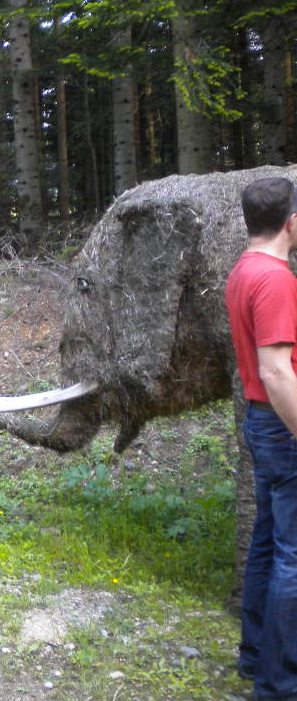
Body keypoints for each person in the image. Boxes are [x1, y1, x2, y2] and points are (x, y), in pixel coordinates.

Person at [226, 175, 297, 701]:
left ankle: (255, 658)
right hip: (282, 423)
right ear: (290, 221)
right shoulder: (275, 279)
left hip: (262, 420)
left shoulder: (242, 270)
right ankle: (280, 686)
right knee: (293, 556)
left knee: (269, 544)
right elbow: (276, 372)